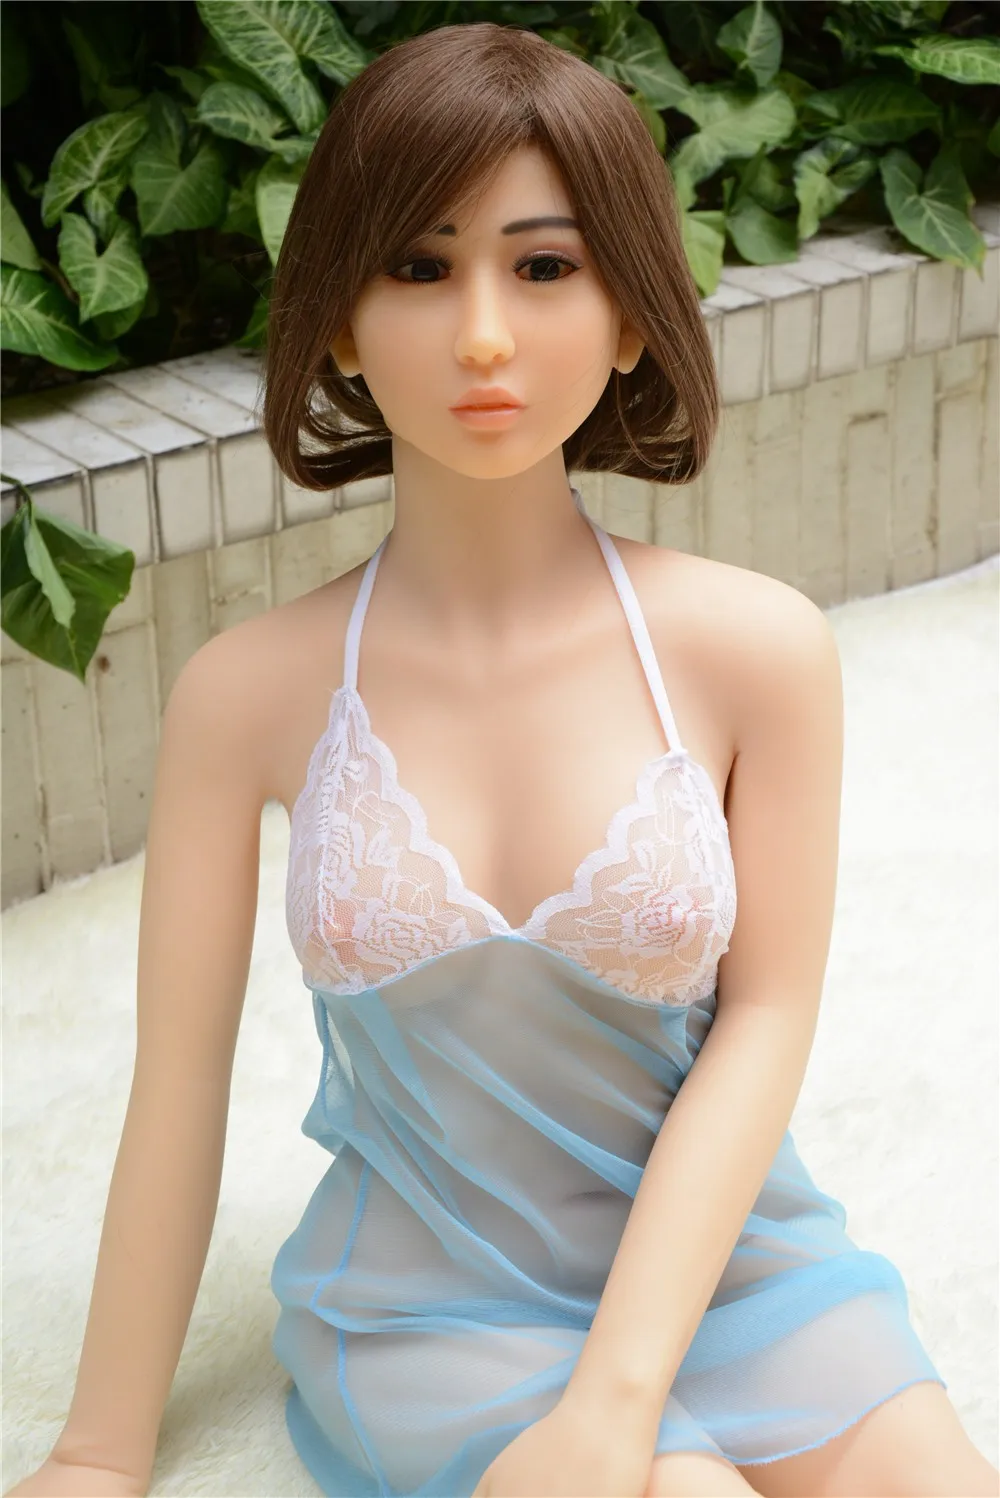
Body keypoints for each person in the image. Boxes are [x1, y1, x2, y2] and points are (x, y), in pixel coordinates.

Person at [7, 21, 998, 1498]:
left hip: (733, 1265)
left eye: (544, 267)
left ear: (631, 315)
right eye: (420, 267)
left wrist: (619, 1395)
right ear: (341, 321)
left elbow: (767, 1019)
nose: (483, 333)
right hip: (431, 1307)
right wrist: (96, 1452)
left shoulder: (759, 650)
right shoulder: (246, 694)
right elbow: (177, 1087)